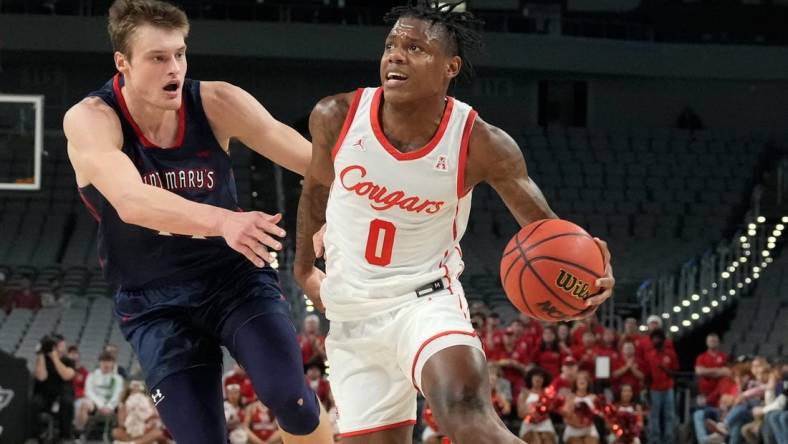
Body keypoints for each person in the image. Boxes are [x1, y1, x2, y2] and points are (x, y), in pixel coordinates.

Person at [294, 2, 614, 442]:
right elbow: (314, 189)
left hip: (425, 302)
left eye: (415, 48)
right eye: (391, 45)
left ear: (451, 66)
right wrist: (303, 269)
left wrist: (589, 277)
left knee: (464, 408)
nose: (396, 56)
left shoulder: (481, 143)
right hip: (352, 316)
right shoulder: (335, 116)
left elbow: (546, 233)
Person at [62, 1, 332, 442]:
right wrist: (224, 221)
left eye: (180, 53)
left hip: (233, 279)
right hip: (153, 301)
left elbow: (313, 162)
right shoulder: (91, 120)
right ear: (122, 63)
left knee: (293, 400)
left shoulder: (216, 101)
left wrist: (339, 209)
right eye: (158, 57)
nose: (175, 68)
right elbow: (131, 201)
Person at [32, 334, 76, 442]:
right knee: (35, 403)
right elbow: (41, 377)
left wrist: (55, 357)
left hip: (63, 393)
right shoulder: (43, 360)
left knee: (67, 402)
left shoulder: (68, 361)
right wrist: (41, 355)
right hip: (45, 393)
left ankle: (65, 436)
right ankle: (35, 435)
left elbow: (66, 375)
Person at [75, 352, 125, 436]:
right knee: (84, 405)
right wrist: (100, 405)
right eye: (104, 361)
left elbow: (117, 394)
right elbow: (88, 392)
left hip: (111, 405)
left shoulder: (118, 378)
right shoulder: (92, 375)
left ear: (113, 363)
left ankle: (121, 434)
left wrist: (109, 406)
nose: (106, 364)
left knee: (122, 406)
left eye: (109, 361)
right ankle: (79, 433)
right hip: (95, 403)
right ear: (100, 363)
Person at [644, 328, 678, 444]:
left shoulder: (670, 354)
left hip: (668, 388)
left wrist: (667, 371)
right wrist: (647, 389)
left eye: (658, 338)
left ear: (663, 339)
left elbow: (676, 371)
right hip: (654, 389)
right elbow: (647, 374)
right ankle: (655, 440)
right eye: (653, 338)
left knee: (669, 415)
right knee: (654, 416)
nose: (655, 340)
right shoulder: (649, 355)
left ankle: (669, 439)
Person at [111, 380, 167, 444]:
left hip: (147, 432)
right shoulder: (123, 406)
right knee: (116, 432)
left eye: (139, 392)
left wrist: (148, 420)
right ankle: (139, 442)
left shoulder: (150, 402)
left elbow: (157, 418)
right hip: (130, 433)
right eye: (133, 391)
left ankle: (135, 442)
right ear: (129, 392)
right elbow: (121, 423)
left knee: (158, 433)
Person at [517, 367, 556, 444]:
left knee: (547, 439)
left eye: (541, 377)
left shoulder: (548, 393)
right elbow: (520, 414)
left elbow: (552, 408)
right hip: (529, 424)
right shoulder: (525, 393)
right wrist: (532, 412)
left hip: (545, 423)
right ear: (530, 378)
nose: (538, 378)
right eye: (535, 376)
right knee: (535, 439)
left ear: (544, 380)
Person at [561, 371, 599, 444]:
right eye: (579, 379)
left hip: (589, 430)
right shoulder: (570, 397)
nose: (582, 380)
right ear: (575, 383)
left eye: (584, 379)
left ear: (588, 383)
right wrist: (577, 424)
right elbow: (565, 418)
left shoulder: (594, 398)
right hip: (573, 431)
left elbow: (600, 414)